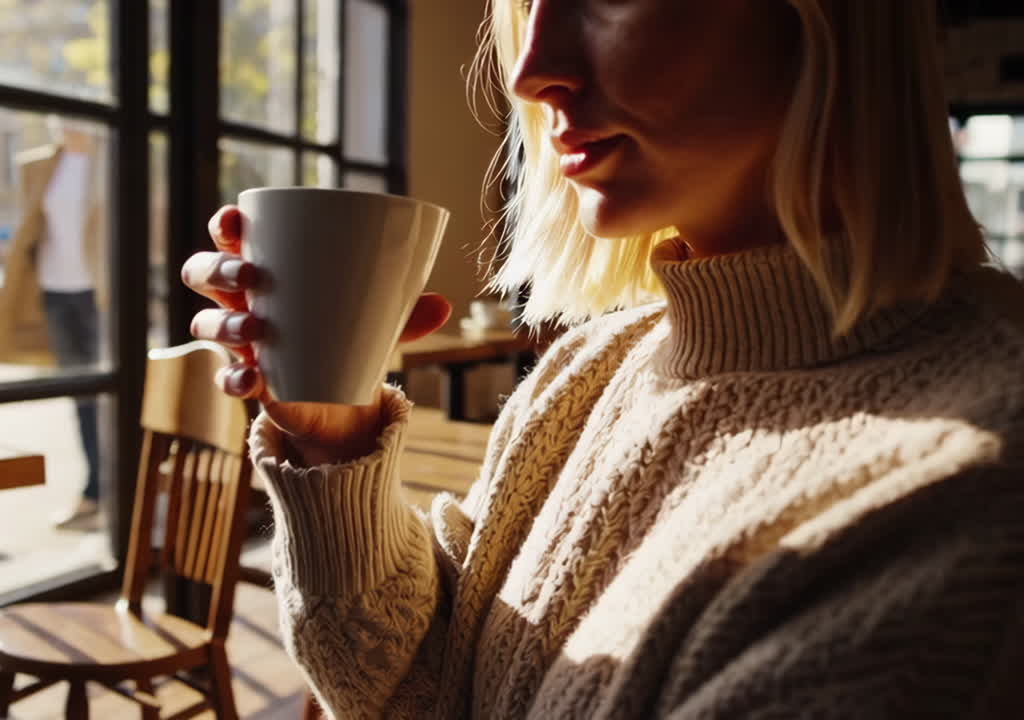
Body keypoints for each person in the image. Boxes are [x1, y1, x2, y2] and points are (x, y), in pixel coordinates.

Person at [185, 0, 1024, 717]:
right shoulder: (585, 374)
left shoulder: (966, 487)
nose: (530, 70)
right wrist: (332, 436)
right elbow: (424, 683)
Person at [0, 121, 106, 528]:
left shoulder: (108, 161)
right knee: (81, 395)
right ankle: (94, 491)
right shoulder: (39, 166)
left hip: (100, 295)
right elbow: (31, 226)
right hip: (55, 291)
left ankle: (121, 488)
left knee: (116, 395)